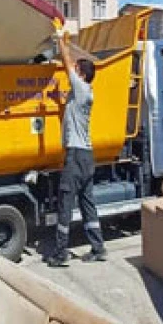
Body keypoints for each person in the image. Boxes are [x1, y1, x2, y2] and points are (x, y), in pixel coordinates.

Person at [45, 28, 106, 267]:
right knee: (87, 202)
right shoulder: (81, 94)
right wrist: (56, 98)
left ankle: (61, 253)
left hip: (77, 155)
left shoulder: (81, 88)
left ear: (81, 74)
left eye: (76, 69)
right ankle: (98, 248)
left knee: (66, 202)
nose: (73, 70)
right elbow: (68, 107)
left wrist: (61, 40)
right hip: (86, 156)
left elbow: (67, 62)